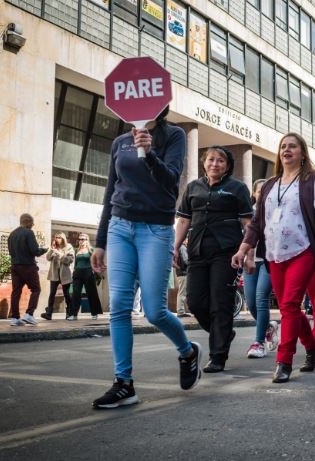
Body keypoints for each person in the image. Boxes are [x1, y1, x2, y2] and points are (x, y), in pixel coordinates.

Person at [91, 108, 202, 409]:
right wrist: (100, 241)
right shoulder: (119, 142)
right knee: (119, 307)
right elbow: (110, 191)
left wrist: (149, 153)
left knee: (154, 310)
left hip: (155, 229)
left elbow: (171, 182)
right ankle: (124, 383)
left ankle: (188, 351)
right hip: (119, 226)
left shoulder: (174, 135)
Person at [233, 133, 315, 384]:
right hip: (274, 254)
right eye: (283, 146)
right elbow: (256, 223)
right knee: (290, 308)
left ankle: (284, 360)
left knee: (288, 304)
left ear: (302, 152)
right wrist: (243, 249)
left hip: (304, 250)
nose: (286, 150)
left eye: (293, 146)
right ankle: (311, 348)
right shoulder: (269, 185)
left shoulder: (311, 181)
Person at [174, 146, 254, 373]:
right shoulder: (192, 188)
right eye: (211, 159)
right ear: (204, 162)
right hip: (197, 251)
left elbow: (248, 225)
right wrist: (175, 247)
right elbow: (183, 222)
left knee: (221, 302)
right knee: (195, 301)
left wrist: (249, 255)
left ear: (228, 166)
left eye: (220, 161)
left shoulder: (237, 188)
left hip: (227, 253)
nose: (215, 164)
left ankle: (218, 355)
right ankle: (224, 333)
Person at [242, 178, 279, 358]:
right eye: (259, 190)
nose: (262, 193)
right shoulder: (247, 213)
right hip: (250, 261)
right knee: (250, 302)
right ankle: (268, 327)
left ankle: (259, 342)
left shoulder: (274, 211)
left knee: (260, 297)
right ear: (255, 193)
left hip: (267, 259)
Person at [7, 213, 48, 326]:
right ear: (29, 222)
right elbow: (35, 251)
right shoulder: (28, 232)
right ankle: (29, 314)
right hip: (28, 266)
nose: (33, 225)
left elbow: (11, 252)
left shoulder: (12, 234)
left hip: (15, 266)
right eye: (32, 223)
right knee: (36, 289)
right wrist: (44, 250)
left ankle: (15, 318)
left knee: (16, 292)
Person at [64, 233, 103, 321]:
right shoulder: (76, 250)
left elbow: (96, 261)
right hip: (77, 273)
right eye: (80, 239)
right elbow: (74, 263)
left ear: (87, 240)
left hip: (88, 272)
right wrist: (73, 270)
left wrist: (95, 270)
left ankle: (94, 313)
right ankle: (73, 315)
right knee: (75, 294)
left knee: (91, 293)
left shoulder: (91, 250)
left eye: (83, 239)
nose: (81, 241)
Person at [40, 233, 74, 321]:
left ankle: (69, 313)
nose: (56, 239)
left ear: (63, 239)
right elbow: (48, 258)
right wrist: (52, 249)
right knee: (52, 294)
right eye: (55, 237)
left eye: (59, 237)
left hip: (65, 274)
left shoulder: (69, 247)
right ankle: (49, 314)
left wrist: (59, 253)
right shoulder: (54, 248)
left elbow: (69, 260)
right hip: (54, 274)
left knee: (66, 294)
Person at [173, 239, 192, 318]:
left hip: (180, 272)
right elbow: (186, 260)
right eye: (187, 239)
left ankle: (181, 311)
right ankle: (180, 311)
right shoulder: (182, 247)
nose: (188, 240)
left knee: (182, 292)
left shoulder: (178, 247)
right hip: (183, 272)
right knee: (182, 293)